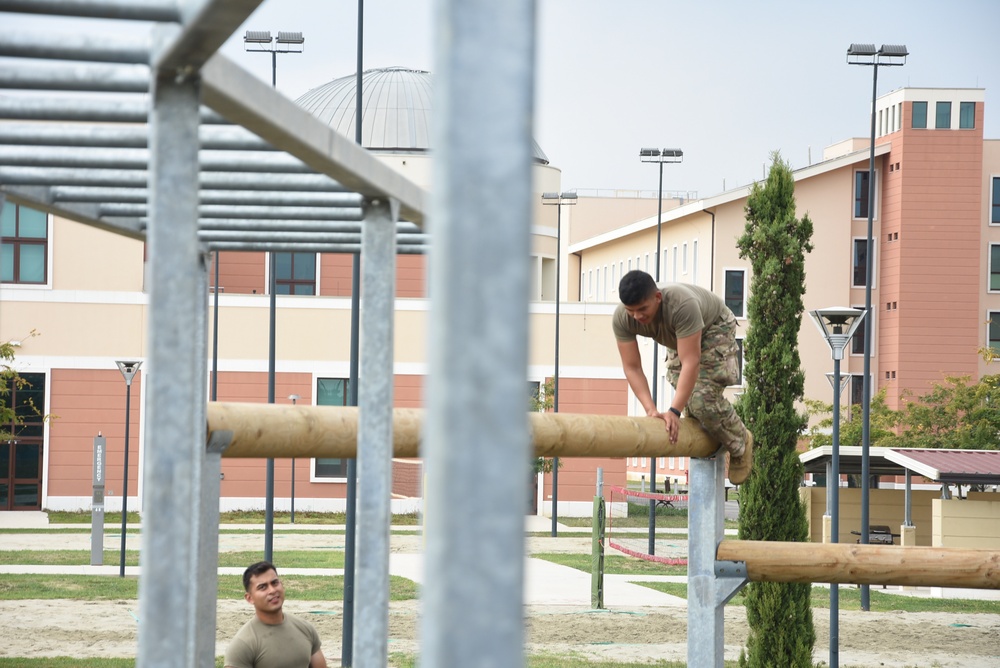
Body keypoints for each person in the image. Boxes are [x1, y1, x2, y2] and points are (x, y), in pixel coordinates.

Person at [612, 269, 753, 484]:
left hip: (714, 326)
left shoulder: (680, 305)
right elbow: (632, 367)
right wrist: (651, 410)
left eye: (643, 309)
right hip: (681, 336)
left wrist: (673, 411)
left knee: (701, 400)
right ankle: (708, 431)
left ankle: (740, 441)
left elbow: (691, 361)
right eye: (631, 311)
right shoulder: (623, 318)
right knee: (692, 405)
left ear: (657, 298)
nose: (638, 317)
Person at [225, 560, 327, 668]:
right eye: (263, 587)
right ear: (249, 598)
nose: (272, 590)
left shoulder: (306, 629)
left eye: (274, 583)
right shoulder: (242, 645)